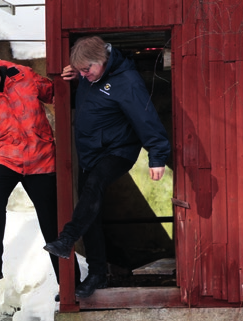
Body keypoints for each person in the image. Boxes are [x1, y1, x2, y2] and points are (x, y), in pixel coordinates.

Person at [43, 36, 171, 298]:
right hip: (91, 153)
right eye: (80, 70)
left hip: (118, 152)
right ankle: (97, 274)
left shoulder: (127, 81)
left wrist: (157, 156)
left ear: (101, 60)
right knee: (89, 209)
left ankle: (67, 239)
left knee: (94, 186)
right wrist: (72, 81)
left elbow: (147, 120)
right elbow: (86, 102)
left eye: (86, 70)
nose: (84, 74)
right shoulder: (91, 77)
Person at [0, 47, 79, 300]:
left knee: (52, 224)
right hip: (4, 158)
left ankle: (71, 284)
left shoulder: (23, 75)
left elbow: (53, 93)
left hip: (41, 157)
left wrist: (71, 83)